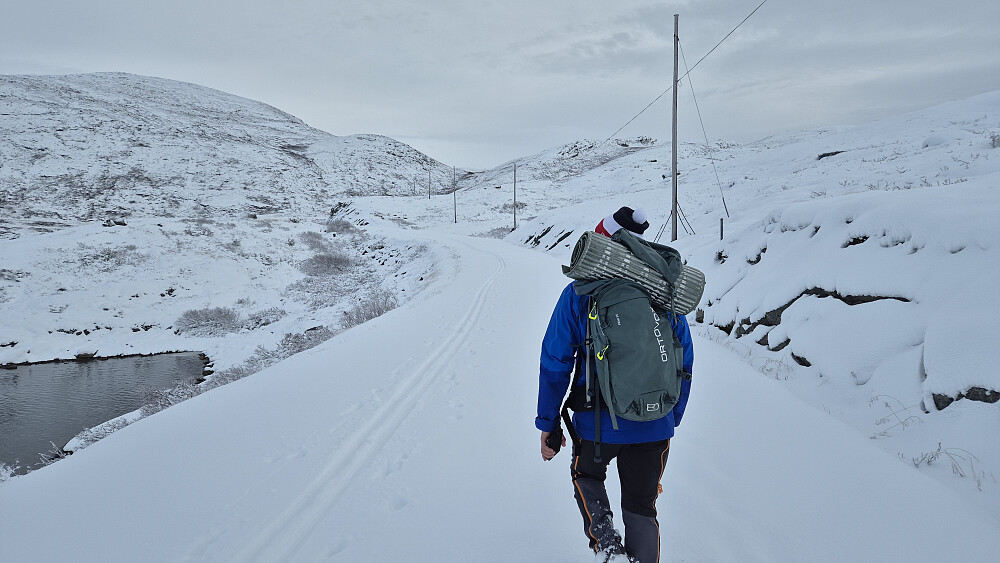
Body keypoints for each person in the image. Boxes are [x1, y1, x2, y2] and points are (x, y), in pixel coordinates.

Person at [536, 206, 694, 563]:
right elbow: (684, 364)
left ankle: (606, 544)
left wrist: (548, 423)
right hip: (655, 423)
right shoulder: (664, 292)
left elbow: (555, 362)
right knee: (642, 506)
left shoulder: (579, 293)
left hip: (597, 425)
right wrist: (671, 418)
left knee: (585, 476)